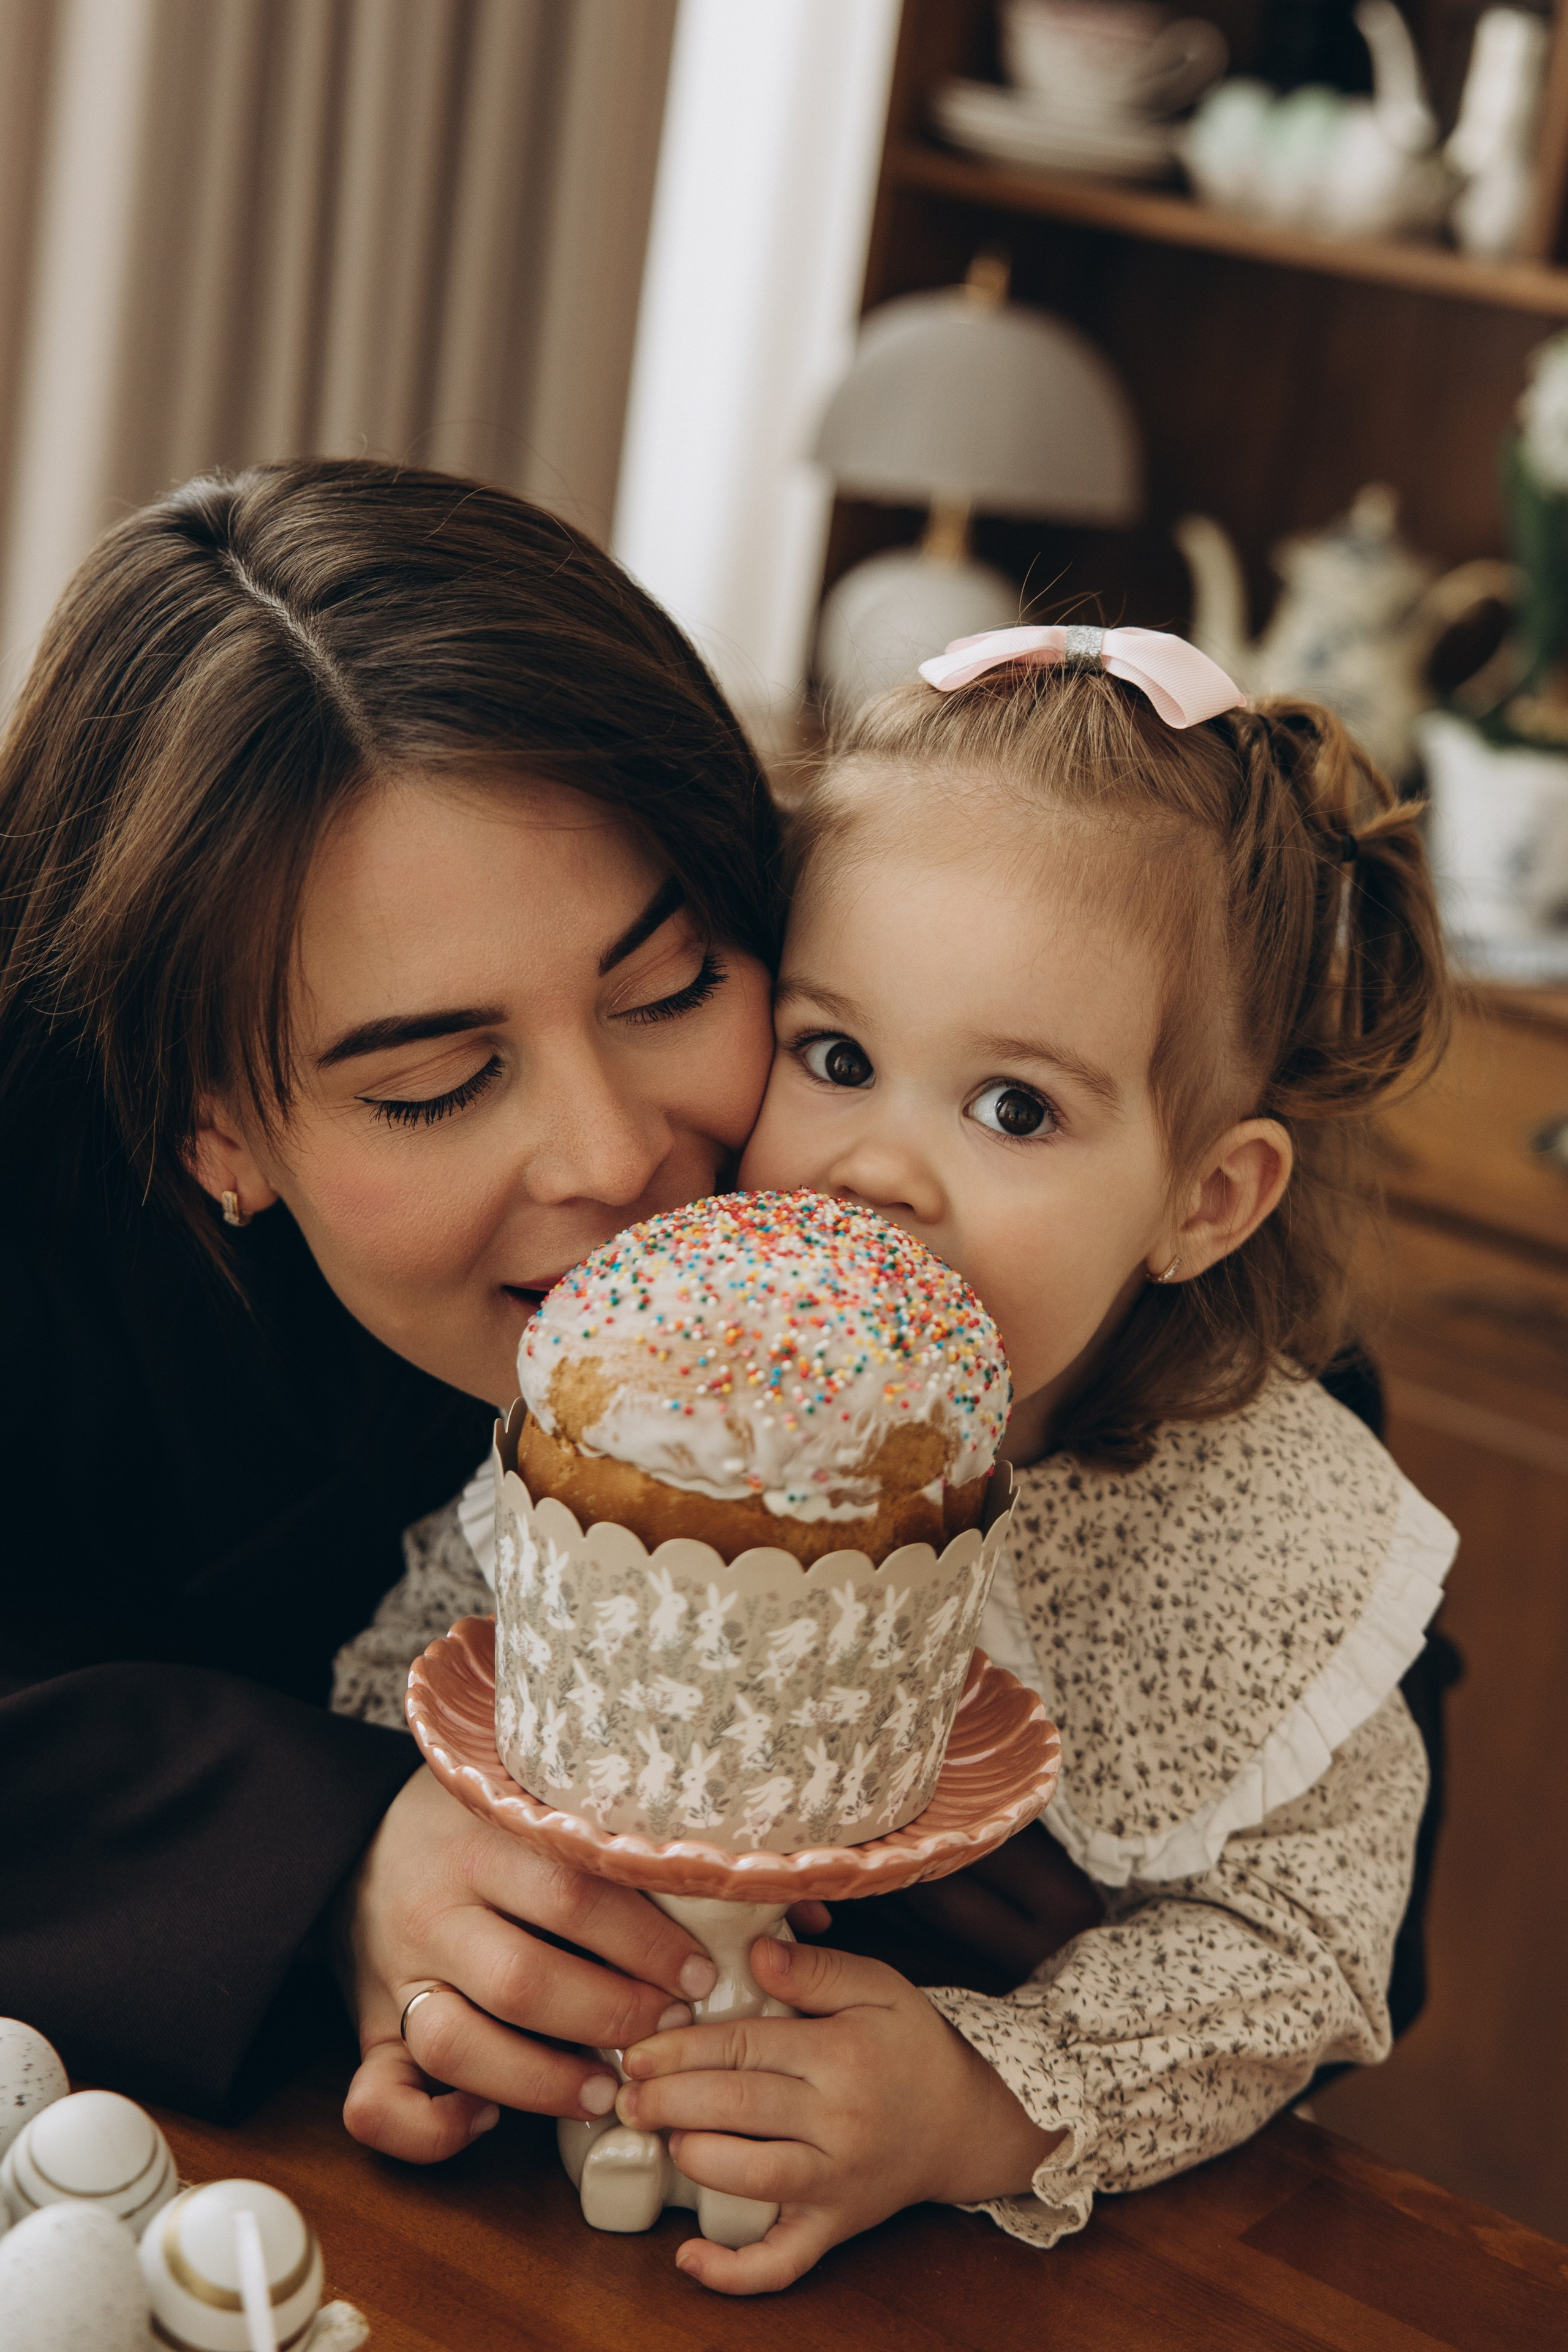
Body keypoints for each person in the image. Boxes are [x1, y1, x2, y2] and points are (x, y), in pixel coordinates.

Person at [470, 624, 1457, 2291]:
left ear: (1203, 1201)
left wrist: (985, 2104)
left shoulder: (1269, 1527)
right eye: (837, 1058)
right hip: (563, 2172)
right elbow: (461, 1654)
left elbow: (1307, 1955)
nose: (878, 1171)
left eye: (1013, 1110)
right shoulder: (654, 1384)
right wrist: (446, 1905)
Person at [0, 457, 796, 2143]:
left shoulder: (868, 1084)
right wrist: (334, 1863)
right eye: (437, 1083)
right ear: (211, 1116)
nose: (609, 1155)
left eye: (668, 988)